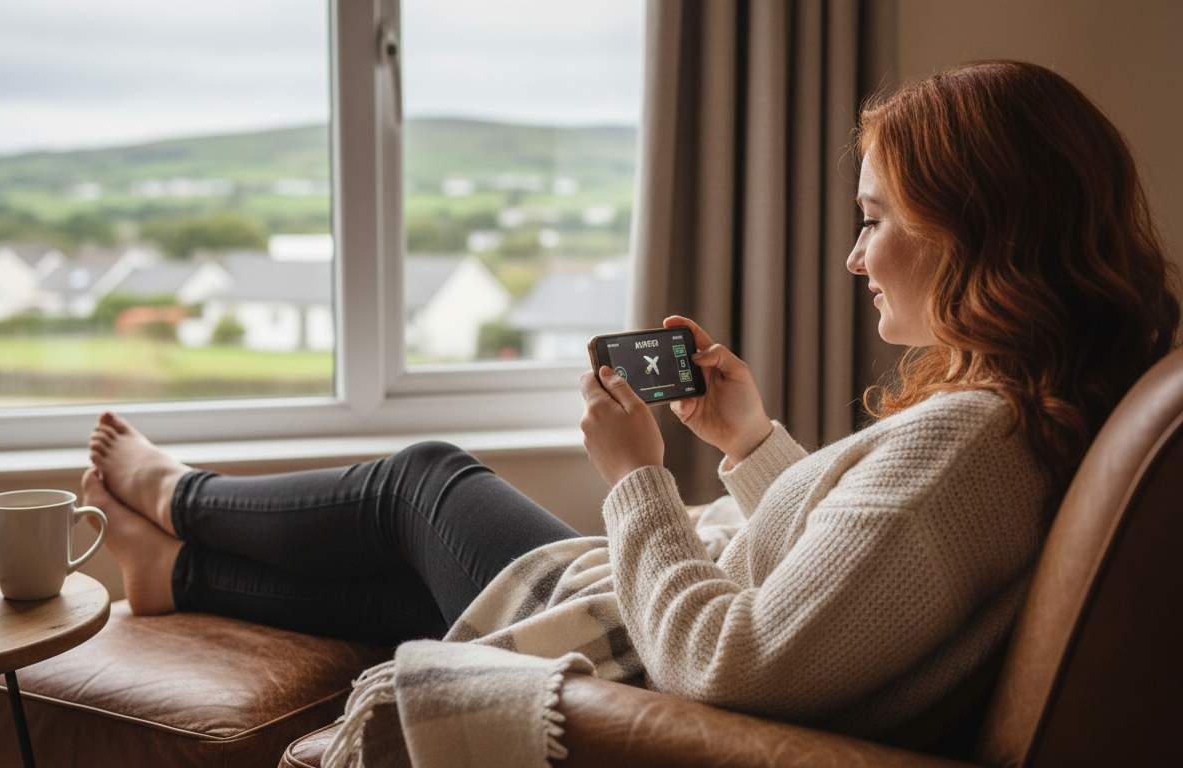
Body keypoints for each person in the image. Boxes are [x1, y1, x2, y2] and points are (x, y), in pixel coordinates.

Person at [81, 59, 1180, 734]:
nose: (855, 257)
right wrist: (745, 441)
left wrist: (641, 477)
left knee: (423, 487)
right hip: (669, 615)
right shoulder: (1019, 419)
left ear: (976, 229)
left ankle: (175, 494)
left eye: (876, 218)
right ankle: (182, 572)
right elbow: (859, 575)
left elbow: (734, 662)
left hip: (657, 651)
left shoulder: (967, 444)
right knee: (416, 588)